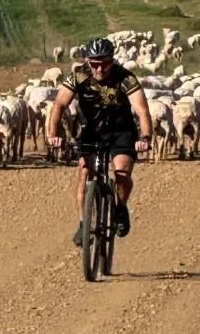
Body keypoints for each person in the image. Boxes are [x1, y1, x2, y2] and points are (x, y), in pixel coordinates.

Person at [47, 37, 152, 247]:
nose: (100, 68)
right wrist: (52, 134)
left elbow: (141, 109)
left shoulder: (125, 77)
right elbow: (59, 105)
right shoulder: (80, 75)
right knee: (84, 173)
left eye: (105, 63)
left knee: (122, 173)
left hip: (121, 131)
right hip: (92, 131)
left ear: (112, 60)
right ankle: (83, 223)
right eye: (95, 63)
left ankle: (120, 208)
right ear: (88, 61)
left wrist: (145, 137)